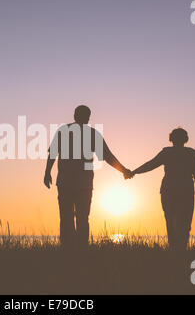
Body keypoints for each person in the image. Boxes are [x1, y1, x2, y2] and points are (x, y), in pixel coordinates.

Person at [44, 105, 133, 249]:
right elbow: (107, 156)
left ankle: (70, 249)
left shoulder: (67, 131)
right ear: (88, 117)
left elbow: (53, 153)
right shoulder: (90, 134)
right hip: (79, 184)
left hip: (71, 183)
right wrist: (123, 170)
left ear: (75, 115)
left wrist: (47, 172)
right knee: (81, 219)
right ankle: (79, 249)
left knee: (67, 218)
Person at [131, 128, 195, 250]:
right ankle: (180, 250)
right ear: (185, 139)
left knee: (171, 221)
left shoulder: (169, 152)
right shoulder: (190, 153)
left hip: (172, 190)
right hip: (182, 190)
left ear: (171, 139)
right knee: (183, 223)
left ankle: (175, 249)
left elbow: (151, 164)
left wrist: (134, 172)